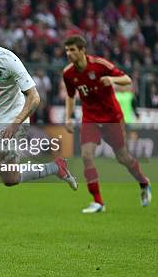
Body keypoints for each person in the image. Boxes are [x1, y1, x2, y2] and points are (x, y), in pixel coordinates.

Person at [0, 18, 77, 235]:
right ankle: (56, 168)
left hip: (15, 121)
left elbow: (34, 97)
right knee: (11, 179)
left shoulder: (9, 61)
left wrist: (15, 124)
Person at [62, 35, 151, 214]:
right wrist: (69, 117)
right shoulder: (68, 73)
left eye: (72, 50)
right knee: (87, 156)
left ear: (82, 50)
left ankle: (143, 182)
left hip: (111, 117)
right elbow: (71, 96)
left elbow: (127, 79)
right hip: (90, 118)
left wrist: (112, 80)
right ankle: (98, 201)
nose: (69, 54)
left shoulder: (100, 65)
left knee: (123, 157)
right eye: (67, 50)